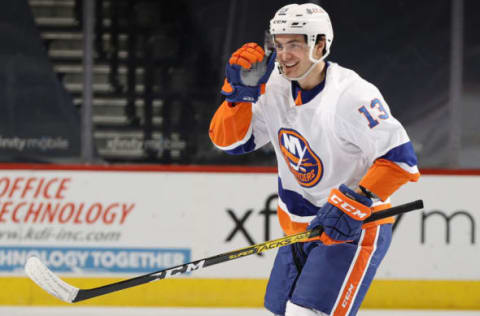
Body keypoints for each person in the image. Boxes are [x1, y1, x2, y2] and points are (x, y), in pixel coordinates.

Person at [209, 3, 420, 316]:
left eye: (294, 44)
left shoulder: (351, 95)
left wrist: (355, 201)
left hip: (350, 229)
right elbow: (231, 143)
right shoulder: (273, 87)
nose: (284, 55)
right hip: (297, 229)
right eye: (278, 46)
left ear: (320, 45)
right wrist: (238, 97)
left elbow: (401, 161)